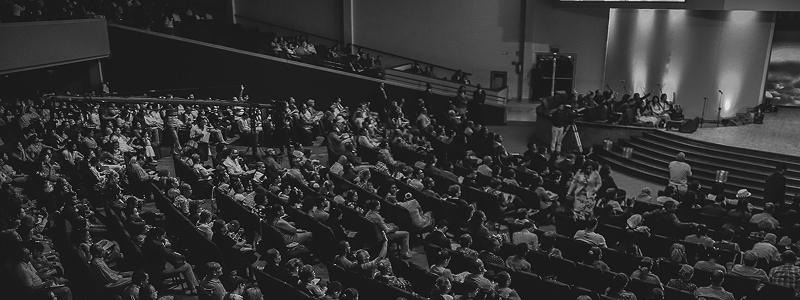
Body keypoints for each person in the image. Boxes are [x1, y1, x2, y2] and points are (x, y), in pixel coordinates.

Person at [141, 228, 199, 295]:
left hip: (153, 266)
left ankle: (194, 286)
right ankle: (195, 289)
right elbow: (170, 256)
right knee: (187, 266)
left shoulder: (148, 241)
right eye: (163, 236)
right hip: (159, 269)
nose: (164, 238)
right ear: (157, 236)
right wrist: (181, 256)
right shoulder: (157, 245)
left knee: (184, 264)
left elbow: (165, 252)